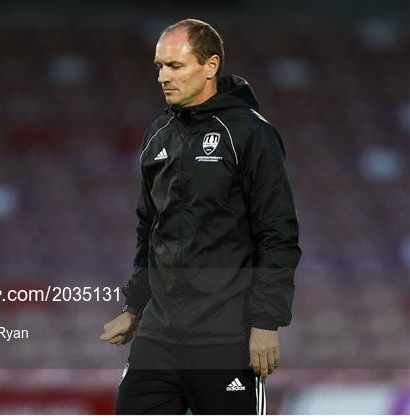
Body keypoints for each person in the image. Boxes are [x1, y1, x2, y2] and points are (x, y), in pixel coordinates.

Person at [100, 18, 301, 415]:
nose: (162, 76)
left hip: (225, 337)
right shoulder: (158, 134)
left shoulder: (250, 133)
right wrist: (136, 307)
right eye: (159, 66)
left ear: (210, 66)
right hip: (159, 335)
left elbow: (277, 232)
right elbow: (149, 230)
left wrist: (266, 323)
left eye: (175, 66)